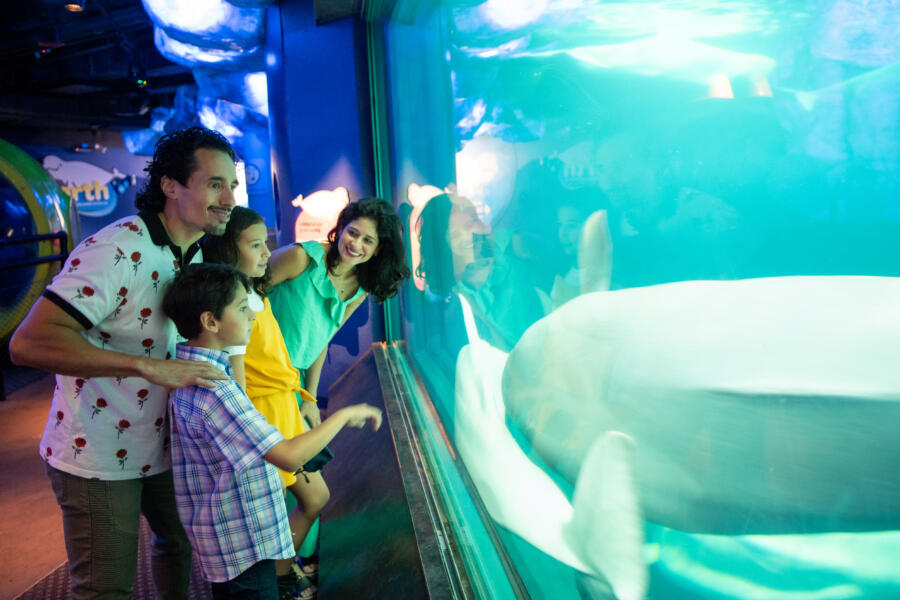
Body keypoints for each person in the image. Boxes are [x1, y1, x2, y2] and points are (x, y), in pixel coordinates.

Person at [8, 126, 238, 599]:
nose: (228, 197)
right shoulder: (114, 250)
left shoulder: (196, 249)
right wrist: (147, 367)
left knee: (177, 544)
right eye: (215, 183)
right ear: (171, 185)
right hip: (96, 452)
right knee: (105, 588)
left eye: (232, 184)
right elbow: (27, 343)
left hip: (167, 442)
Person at [161, 262, 382, 600]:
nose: (253, 315)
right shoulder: (216, 390)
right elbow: (289, 456)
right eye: (241, 307)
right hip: (243, 551)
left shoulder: (191, 373)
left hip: (231, 546)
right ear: (210, 321)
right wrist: (342, 416)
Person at [265, 197, 410, 581]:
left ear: (380, 249)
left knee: (296, 491)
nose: (357, 245)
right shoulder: (301, 259)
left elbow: (322, 339)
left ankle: (282, 574)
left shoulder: (360, 285)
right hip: (260, 384)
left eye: (369, 241)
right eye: (353, 233)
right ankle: (270, 578)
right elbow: (242, 298)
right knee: (276, 488)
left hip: (292, 388)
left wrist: (310, 397)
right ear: (340, 228)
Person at [201, 206, 320, 599]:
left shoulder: (253, 292)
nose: (269, 253)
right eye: (256, 245)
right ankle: (280, 580)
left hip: (285, 407)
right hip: (263, 416)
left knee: (312, 497)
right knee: (285, 506)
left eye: (266, 243)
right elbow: (237, 379)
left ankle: (282, 576)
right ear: (227, 249)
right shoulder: (234, 305)